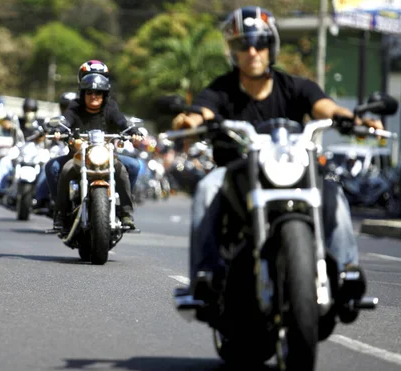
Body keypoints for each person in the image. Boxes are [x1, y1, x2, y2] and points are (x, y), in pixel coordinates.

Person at [171, 6, 381, 302]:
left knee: (333, 193)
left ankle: (347, 271)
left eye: (260, 43)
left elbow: (325, 107)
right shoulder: (222, 90)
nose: (253, 51)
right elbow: (201, 112)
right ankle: (205, 275)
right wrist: (190, 122)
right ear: (234, 51)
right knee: (207, 188)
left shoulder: (295, 87)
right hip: (237, 173)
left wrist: (353, 120)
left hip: (292, 172)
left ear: (272, 47)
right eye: (244, 44)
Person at [45, 61, 141, 212]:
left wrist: (133, 131)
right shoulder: (75, 106)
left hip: (107, 157)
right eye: (89, 92)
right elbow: (66, 119)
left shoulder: (111, 106)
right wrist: (57, 129)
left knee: (133, 166)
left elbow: (122, 121)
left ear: (105, 93)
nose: (94, 96)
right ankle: (61, 212)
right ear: (83, 92)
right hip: (77, 157)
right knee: (54, 167)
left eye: (98, 93)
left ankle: (125, 211)